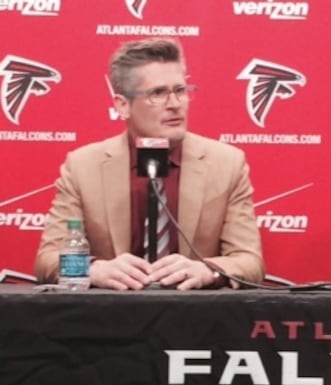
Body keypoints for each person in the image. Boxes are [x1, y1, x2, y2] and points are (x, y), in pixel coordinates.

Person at [35, 37, 264, 290]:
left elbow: (249, 262)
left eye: (180, 90)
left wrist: (207, 269)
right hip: (109, 318)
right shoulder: (83, 166)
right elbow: (47, 261)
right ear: (122, 105)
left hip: (194, 318)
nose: (175, 104)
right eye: (158, 93)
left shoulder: (227, 163)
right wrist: (93, 269)